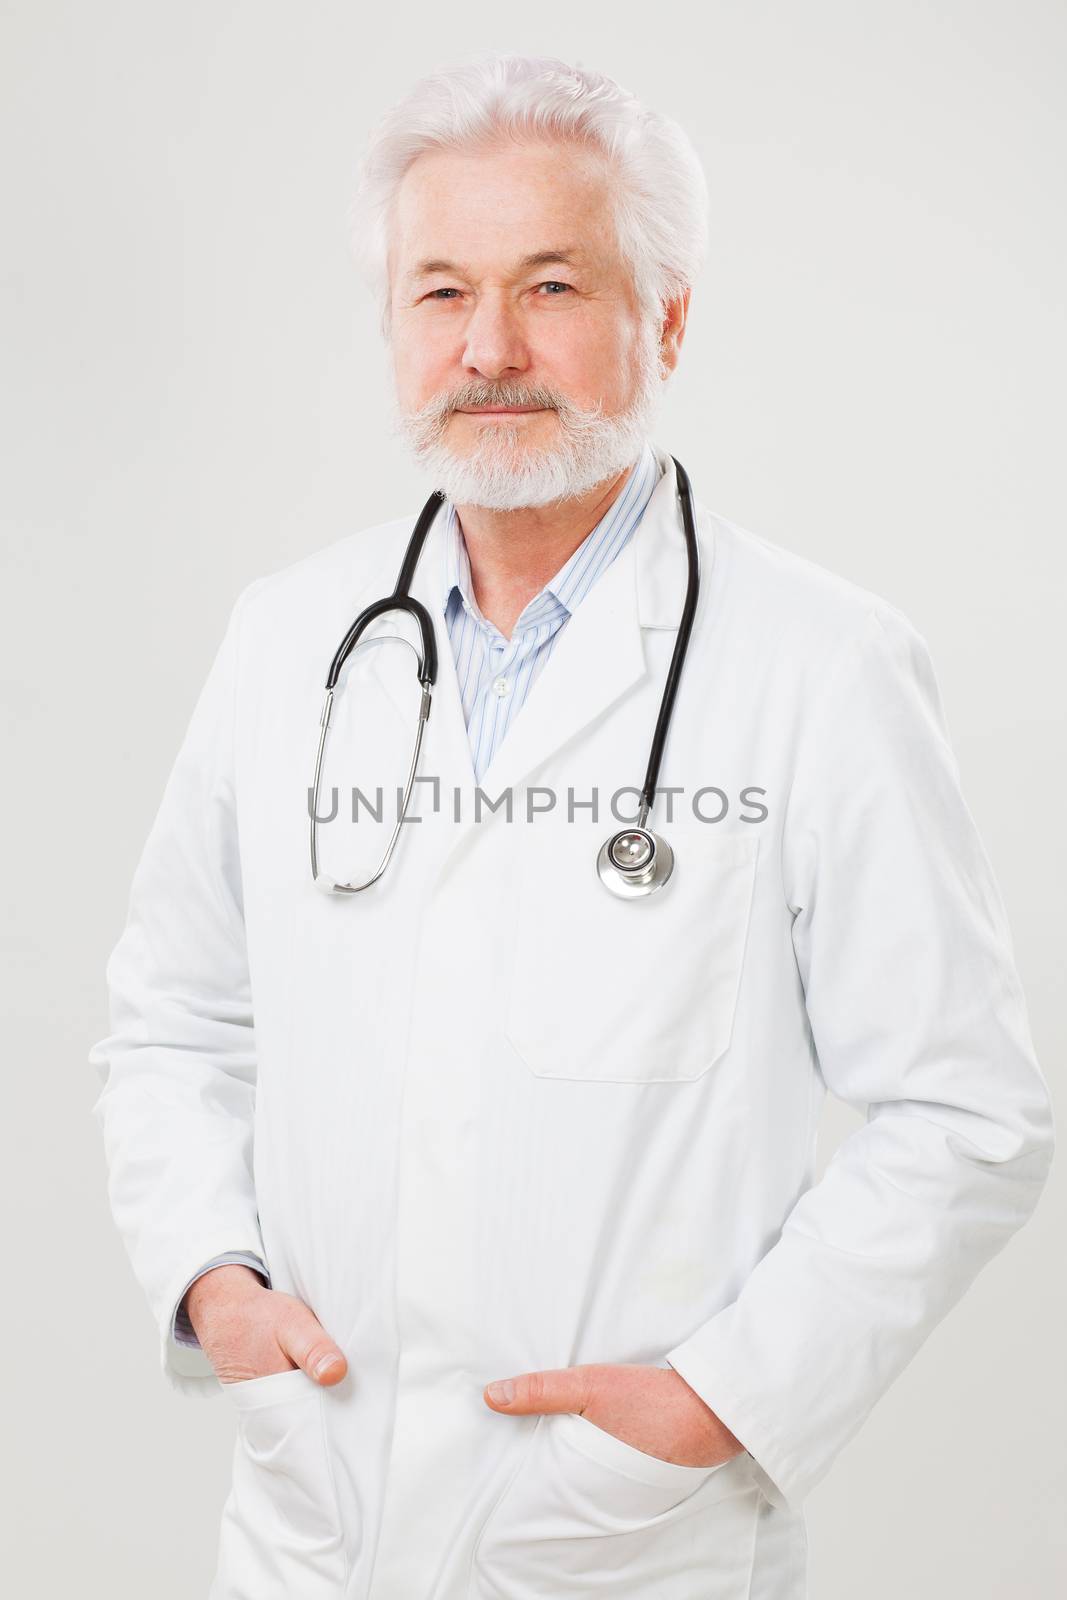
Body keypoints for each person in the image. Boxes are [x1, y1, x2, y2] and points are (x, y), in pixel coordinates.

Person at [89, 51, 1055, 1600]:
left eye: (551, 285)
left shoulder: (820, 665)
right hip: (313, 1527)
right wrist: (214, 1284)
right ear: (391, 325)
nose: (488, 349)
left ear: (663, 318)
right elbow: (171, 1025)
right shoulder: (287, 642)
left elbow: (966, 1113)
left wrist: (721, 1403)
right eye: (438, 293)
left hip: (628, 1546)